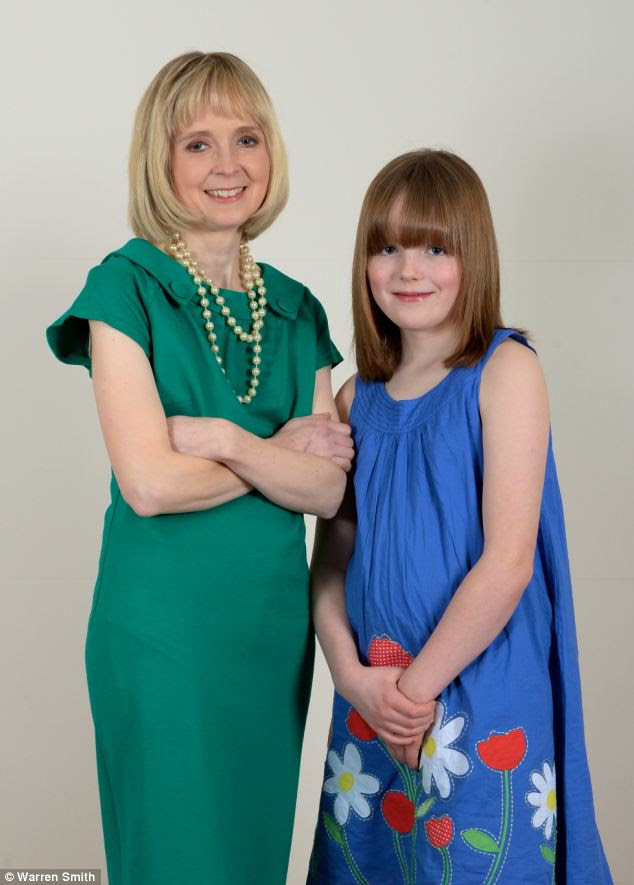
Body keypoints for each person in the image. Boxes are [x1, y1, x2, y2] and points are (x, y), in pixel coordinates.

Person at [46, 51, 353, 885]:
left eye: (247, 139)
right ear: (162, 159)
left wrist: (227, 440)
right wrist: (281, 452)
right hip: (162, 633)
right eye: (198, 143)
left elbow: (329, 488)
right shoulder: (124, 287)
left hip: (267, 637)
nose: (228, 164)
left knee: (249, 862)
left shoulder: (297, 307)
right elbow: (149, 485)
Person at [308, 149, 611, 883]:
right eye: (388, 248)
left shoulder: (507, 371)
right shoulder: (355, 399)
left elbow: (508, 563)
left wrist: (413, 696)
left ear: (474, 256)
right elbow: (330, 561)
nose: (409, 270)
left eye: (435, 249)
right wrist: (352, 677)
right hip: (375, 694)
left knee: (477, 856)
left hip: (475, 685)